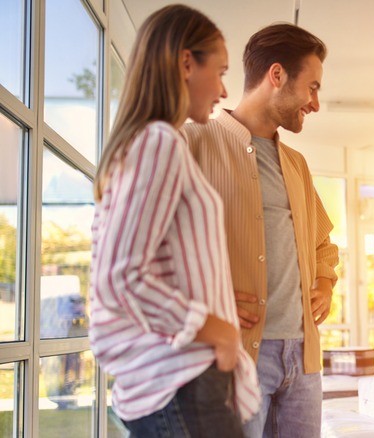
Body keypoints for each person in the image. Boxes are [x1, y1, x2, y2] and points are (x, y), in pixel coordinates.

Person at [89, 4, 260, 437]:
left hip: (177, 385)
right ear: (187, 62)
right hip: (182, 386)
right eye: (220, 72)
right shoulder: (158, 142)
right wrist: (215, 329)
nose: (224, 91)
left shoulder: (151, 143)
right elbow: (120, 276)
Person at [182, 23, 339, 437]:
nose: (316, 103)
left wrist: (325, 283)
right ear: (276, 76)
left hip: (302, 357)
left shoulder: (297, 164)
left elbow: (323, 243)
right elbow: (158, 247)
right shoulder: (194, 142)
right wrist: (205, 301)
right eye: (313, 87)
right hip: (235, 357)